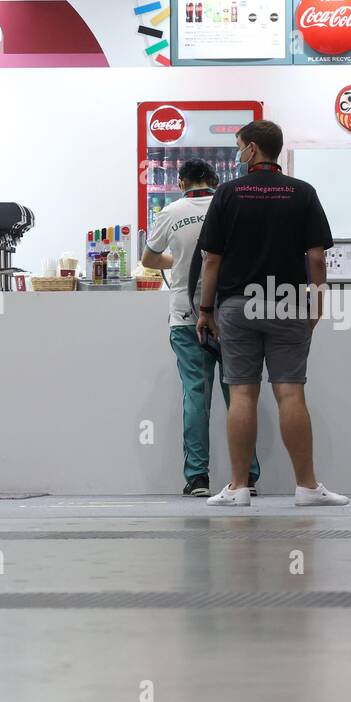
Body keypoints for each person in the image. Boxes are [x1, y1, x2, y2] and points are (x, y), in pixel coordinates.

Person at [195, 119, 348, 508]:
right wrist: (317, 303)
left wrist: (205, 309)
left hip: (236, 302)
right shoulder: (302, 192)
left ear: (251, 149)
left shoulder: (228, 193)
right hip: (287, 300)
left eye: (238, 145)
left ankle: (238, 488)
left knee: (242, 392)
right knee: (291, 392)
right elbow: (317, 257)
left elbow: (212, 259)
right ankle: (307, 487)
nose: (238, 151)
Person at [142, 159, 260, 497]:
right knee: (239, 393)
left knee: (196, 394)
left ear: (181, 183)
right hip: (233, 315)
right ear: (215, 179)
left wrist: (177, 262)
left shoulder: (171, 211)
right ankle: (247, 477)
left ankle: (198, 478)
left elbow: (149, 260)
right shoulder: (233, 204)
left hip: (185, 315)